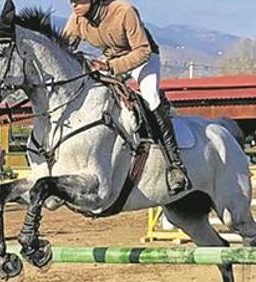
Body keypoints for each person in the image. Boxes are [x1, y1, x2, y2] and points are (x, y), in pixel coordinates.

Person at [63, 0, 191, 194]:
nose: (74, 4)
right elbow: (64, 47)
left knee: (151, 98)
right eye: (71, 1)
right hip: (111, 59)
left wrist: (111, 67)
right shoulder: (77, 19)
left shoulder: (124, 10)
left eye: (79, 0)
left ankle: (175, 165)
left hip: (142, 58)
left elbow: (143, 50)